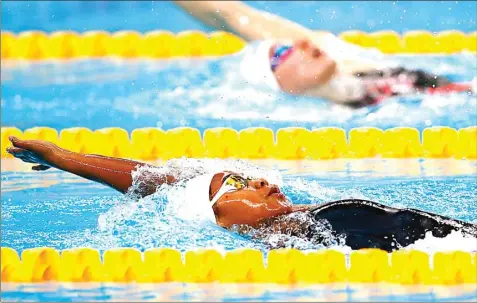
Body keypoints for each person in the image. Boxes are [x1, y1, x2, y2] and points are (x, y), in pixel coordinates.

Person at [7, 136, 477, 252]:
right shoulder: (302, 235)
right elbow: (156, 182)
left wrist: (65, 157)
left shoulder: (339, 215)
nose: (265, 182)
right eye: (237, 185)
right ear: (218, 217)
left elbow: (150, 177)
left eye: (250, 177)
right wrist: (63, 159)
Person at [175, 1, 476, 107]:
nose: (303, 43)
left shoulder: (348, 63)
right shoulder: (295, 110)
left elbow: (230, 14)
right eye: (285, 50)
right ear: (278, 82)